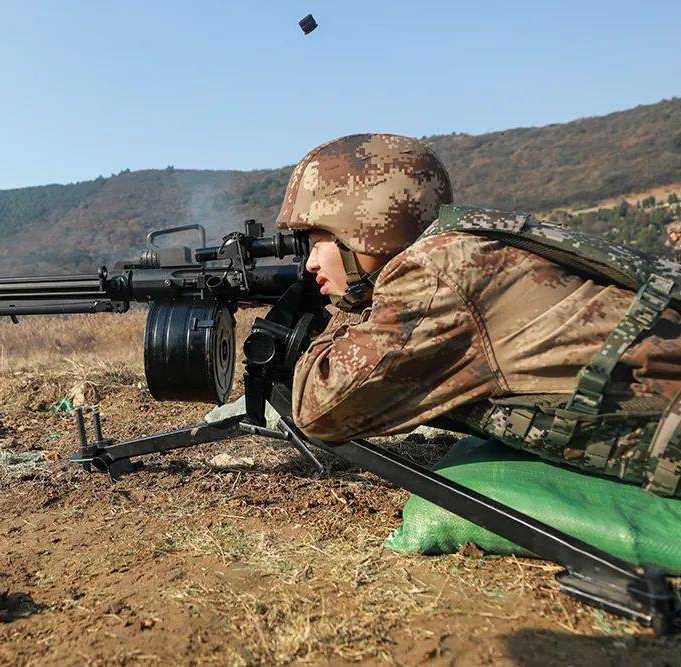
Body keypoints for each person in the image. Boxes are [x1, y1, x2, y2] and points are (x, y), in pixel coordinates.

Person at [277, 133, 681, 497]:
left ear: (363, 227)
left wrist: (349, 306)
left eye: (318, 241)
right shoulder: (466, 246)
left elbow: (320, 410)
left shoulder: (435, 273)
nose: (311, 263)